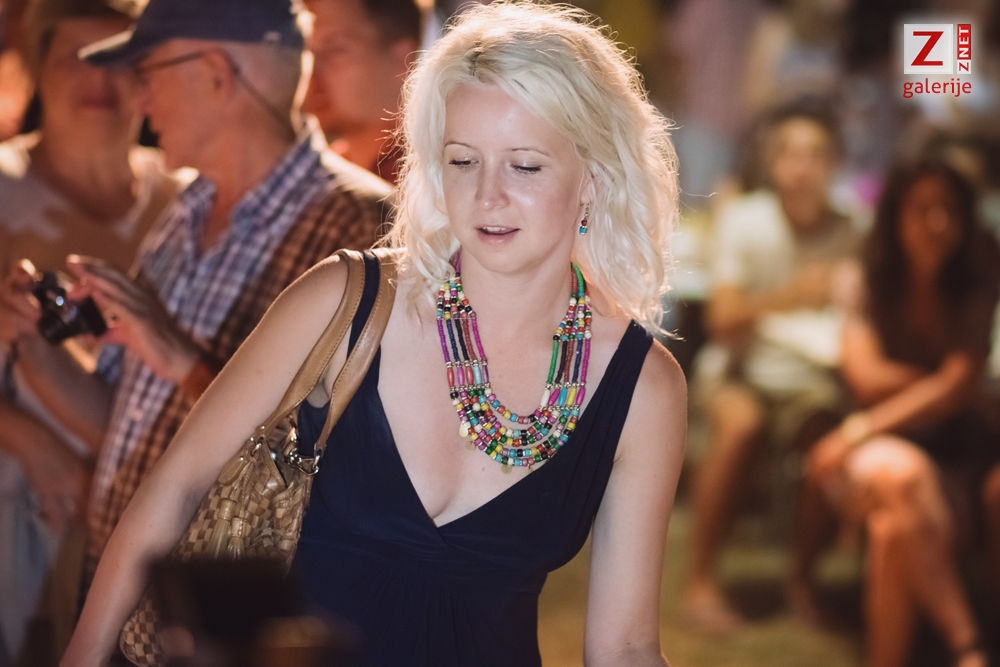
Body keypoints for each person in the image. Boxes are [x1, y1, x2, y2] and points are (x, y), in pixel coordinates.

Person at [60, 3, 687, 665]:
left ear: (594, 177)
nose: (487, 196)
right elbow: (171, 494)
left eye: (525, 166)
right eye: (463, 161)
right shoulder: (346, 300)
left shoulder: (643, 388)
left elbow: (624, 646)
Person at [0, 0, 392, 614]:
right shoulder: (184, 212)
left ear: (215, 75)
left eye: (147, 72)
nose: (138, 98)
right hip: (120, 593)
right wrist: (29, 340)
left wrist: (179, 358)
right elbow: (118, 424)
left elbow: (325, 472)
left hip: (218, 616)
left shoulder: (358, 227)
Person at [0, 0, 177, 660]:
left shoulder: (188, 195)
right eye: (75, 57)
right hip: (25, 520)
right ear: (36, 68)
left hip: (152, 517)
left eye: (118, 57)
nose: (96, 78)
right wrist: (24, 435)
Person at [794, 162, 1000, 667]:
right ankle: (968, 646)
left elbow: (955, 385)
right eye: (921, 209)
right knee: (899, 475)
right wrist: (946, 387)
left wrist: (865, 425)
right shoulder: (865, 277)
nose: (937, 223)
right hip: (873, 447)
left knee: (892, 532)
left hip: (938, 453)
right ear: (895, 216)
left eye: (949, 211)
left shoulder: (974, 283)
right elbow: (866, 378)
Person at [681, 102, 859, 631]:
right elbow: (721, 320)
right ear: (772, 161)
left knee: (828, 435)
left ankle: (801, 578)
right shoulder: (745, 221)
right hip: (739, 371)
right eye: (790, 154)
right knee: (740, 425)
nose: (802, 167)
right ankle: (699, 581)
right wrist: (792, 295)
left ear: (835, 162)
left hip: (811, 376)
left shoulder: (853, 229)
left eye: (815, 155)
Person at [303, 0, 420, 184]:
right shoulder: (321, 174)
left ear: (402, 59)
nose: (311, 72)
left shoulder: (429, 177)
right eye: (305, 54)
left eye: (334, 50)